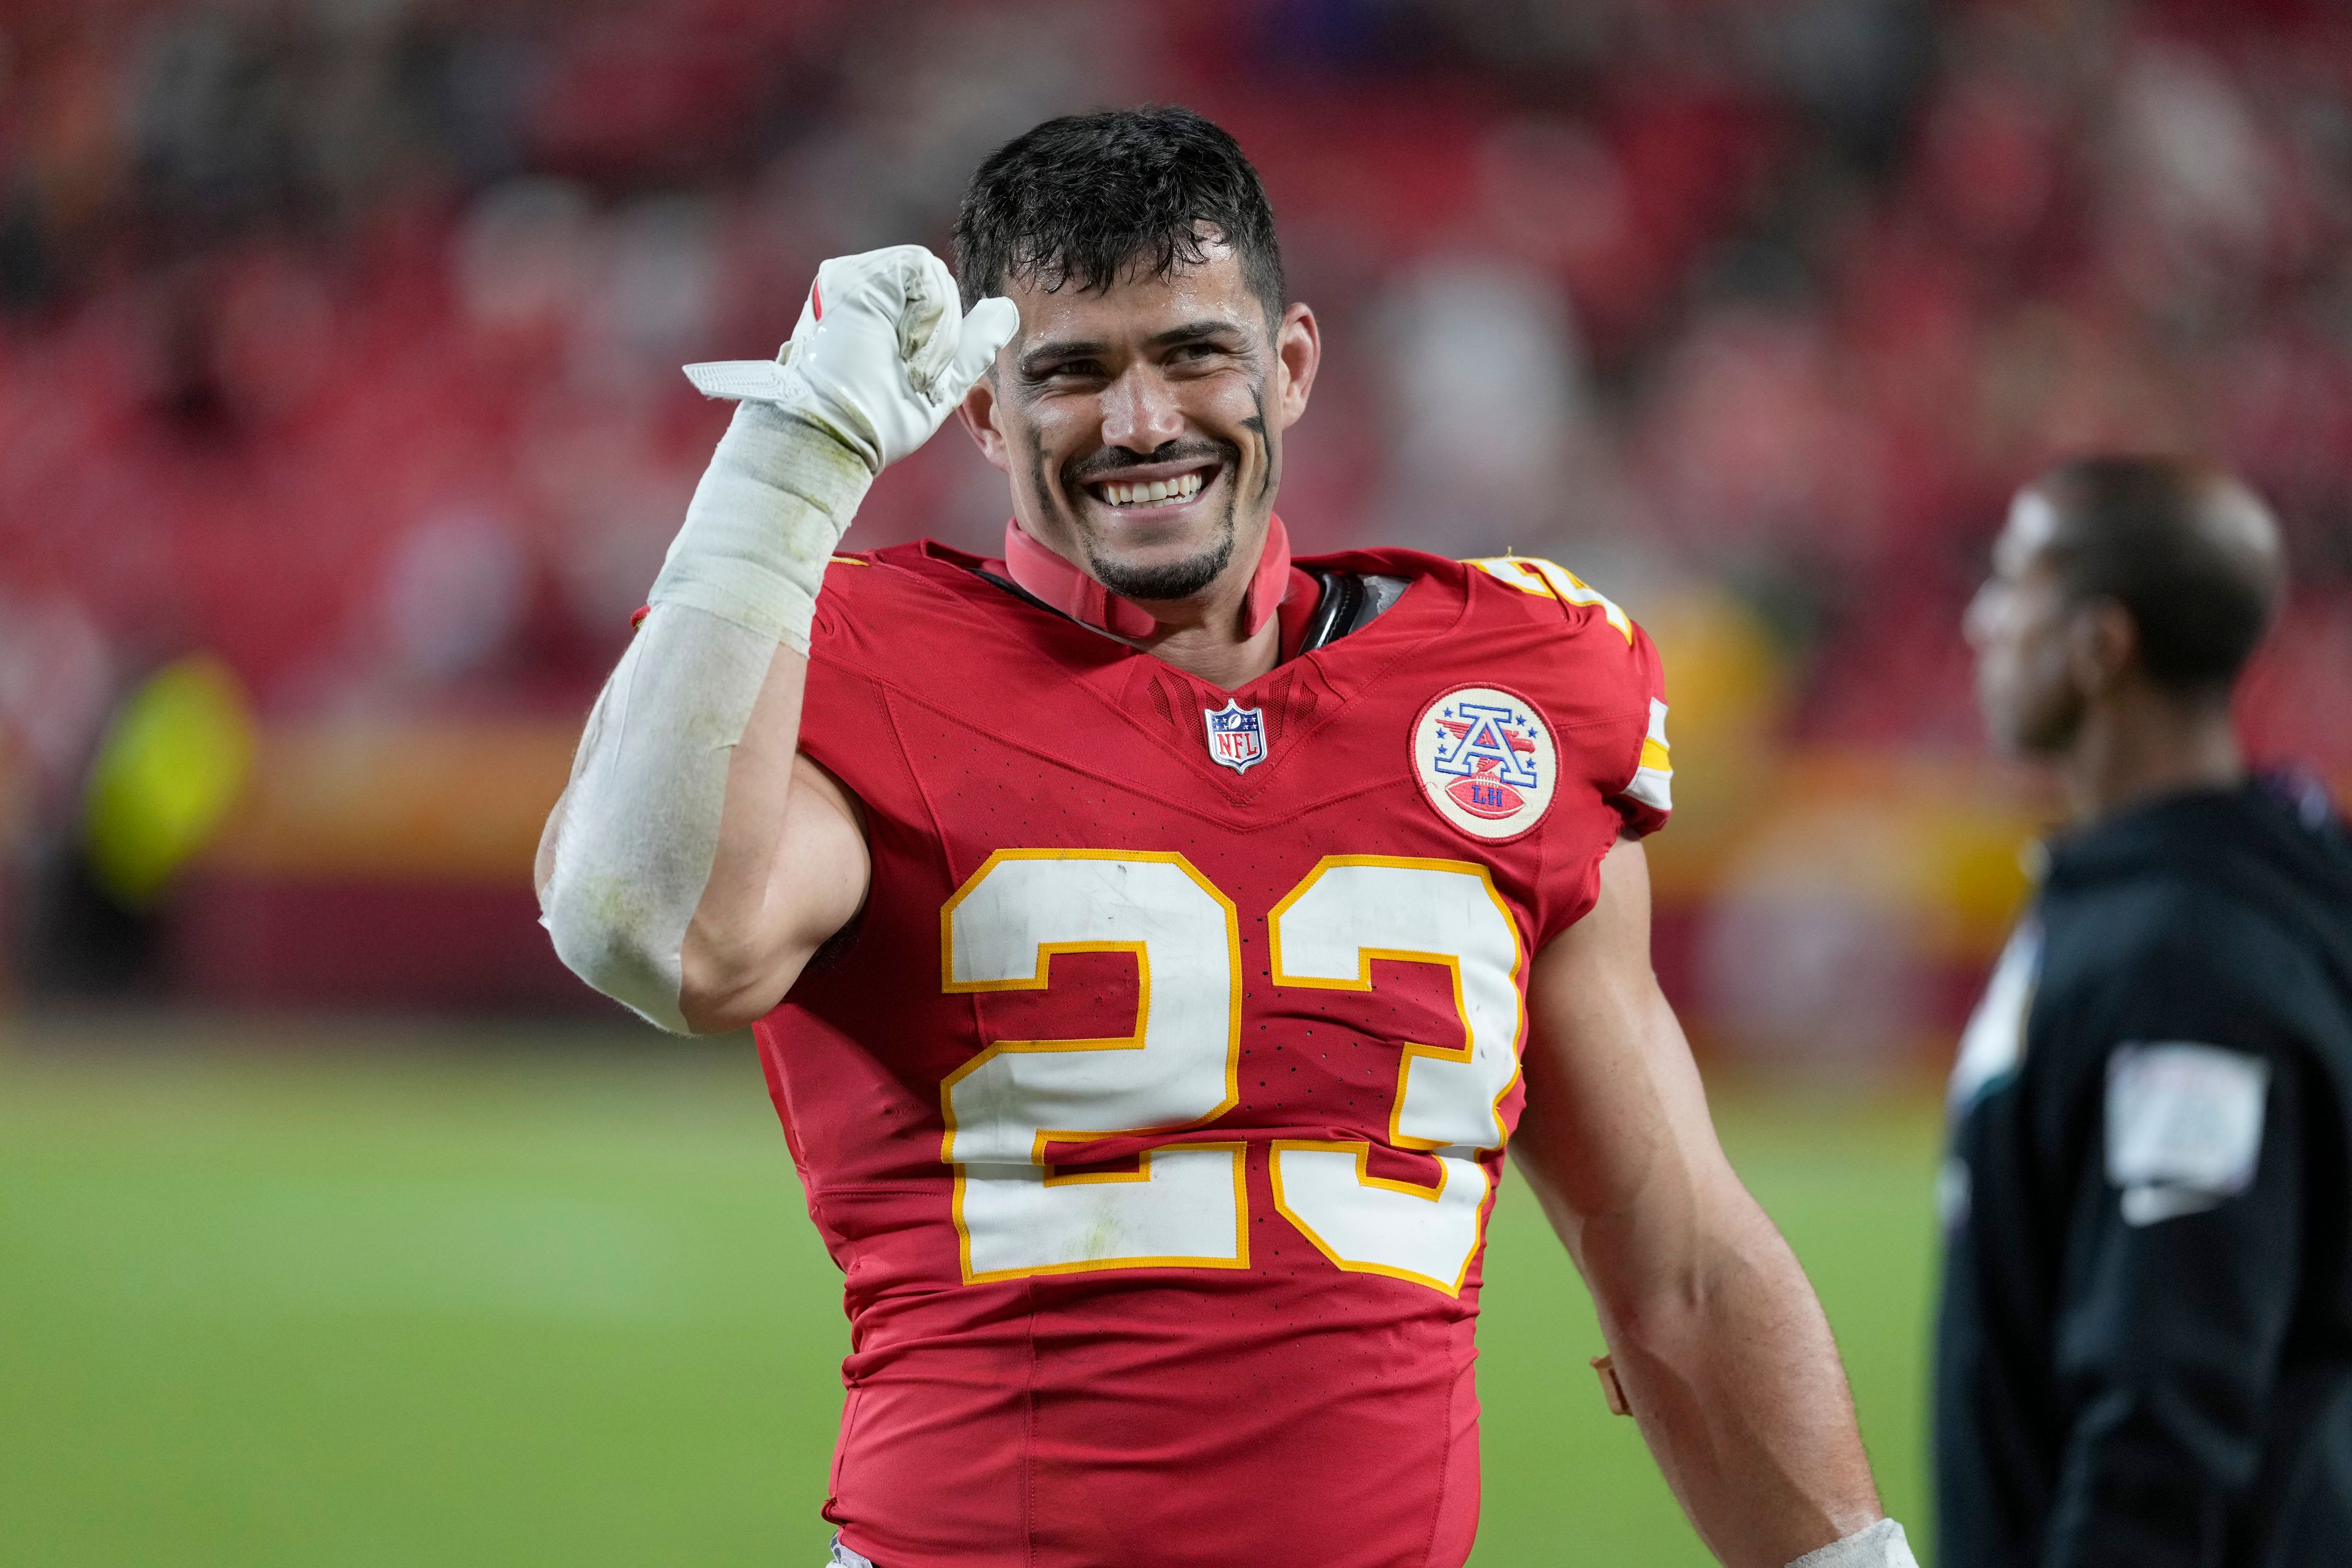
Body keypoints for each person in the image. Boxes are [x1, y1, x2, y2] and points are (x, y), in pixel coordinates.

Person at [538, 106, 1915, 1568]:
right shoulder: (854, 647)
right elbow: (658, 929)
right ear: (985, 412)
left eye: (1193, 352)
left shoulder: (1519, 676)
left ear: (1292, 363)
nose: (1141, 424)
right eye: (1071, 373)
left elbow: (1680, 1262)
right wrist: (786, 462)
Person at [1940, 455, 2352, 1566]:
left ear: (2100, 645)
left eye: (2016, 583)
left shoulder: (2193, 964)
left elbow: (2169, 1398)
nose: (1983, 623)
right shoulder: (2141, 895)